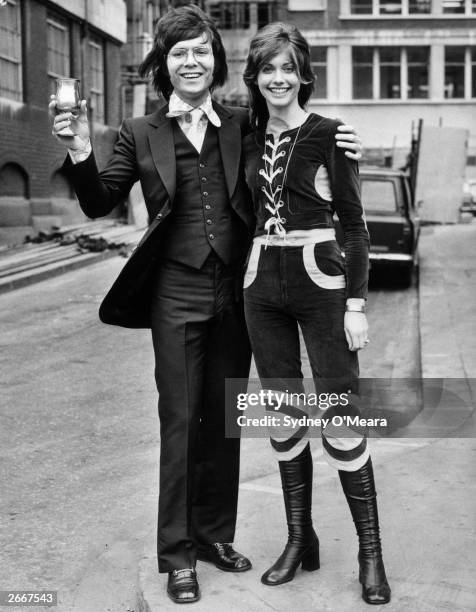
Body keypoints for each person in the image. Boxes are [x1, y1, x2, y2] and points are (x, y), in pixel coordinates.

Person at [49, 5, 362, 604]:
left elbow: (294, 131)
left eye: (201, 51)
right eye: (179, 53)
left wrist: (340, 137)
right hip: (175, 293)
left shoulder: (242, 122)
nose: (191, 62)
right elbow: (98, 202)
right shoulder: (140, 133)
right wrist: (81, 148)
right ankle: (177, 555)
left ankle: (215, 535)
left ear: (216, 61)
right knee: (179, 420)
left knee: (223, 421)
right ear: (163, 67)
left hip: (237, 293)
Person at [241, 23, 391, 605]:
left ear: (304, 73)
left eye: (289, 68)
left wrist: (355, 302)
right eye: (268, 70)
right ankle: (299, 539)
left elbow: (354, 226)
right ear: (254, 78)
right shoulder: (248, 138)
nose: (279, 79)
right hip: (260, 282)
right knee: (281, 415)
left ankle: (370, 553)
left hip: (320, 279)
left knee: (339, 416)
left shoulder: (331, 134)